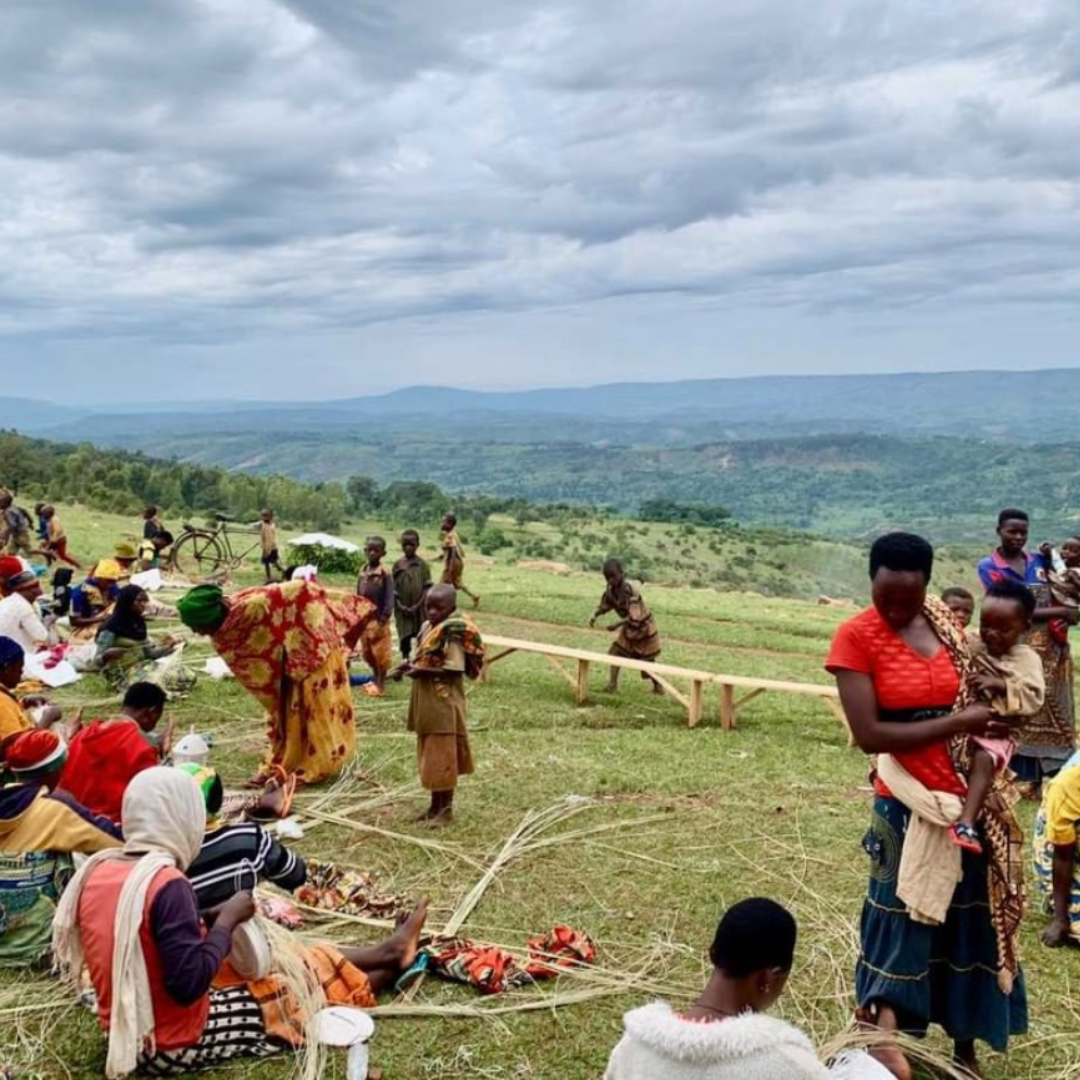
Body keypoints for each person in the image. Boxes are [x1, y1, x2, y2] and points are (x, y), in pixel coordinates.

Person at [53, 766, 430, 1077]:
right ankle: (392, 967)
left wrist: (205, 918)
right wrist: (227, 922)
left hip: (126, 1029)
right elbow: (188, 985)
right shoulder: (165, 882)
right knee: (286, 994)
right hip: (167, 1046)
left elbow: (147, 935)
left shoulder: (102, 869)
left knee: (290, 968)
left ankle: (391, 953)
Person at [827, 532, 1028, 1080]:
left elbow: (981, 689)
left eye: (907, 599)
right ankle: (882, 1036)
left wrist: (992, 712)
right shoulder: (855, 638)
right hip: (905, 800)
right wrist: (961, 723)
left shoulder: (947, 626)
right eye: (884, 596)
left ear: (927, 589)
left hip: (966, 798)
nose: (895, 609)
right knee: (898, 914)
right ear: (870, 581)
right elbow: (870, 734)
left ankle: (963, 1047)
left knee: (969, 921)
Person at [604, 898, 893, 1080]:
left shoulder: (632, 1047)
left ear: (713, 953)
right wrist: (885, 1063)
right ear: (768, 978)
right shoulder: (785, 1064)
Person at [177, 580, 374, 786]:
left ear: (209, 617)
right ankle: (281, 764)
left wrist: (301, 639)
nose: (196, 632)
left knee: (314, 712)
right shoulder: (223, 627)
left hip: (312, 652)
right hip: (284, 666)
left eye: (196, 626)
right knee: (286, 715)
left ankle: (314, 767)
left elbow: (300, 589)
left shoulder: (256, 605)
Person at [0, 729, 122, 966]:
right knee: (80, 858)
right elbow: (117, 844)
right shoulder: (55, 810)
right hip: (33, 949)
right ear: (55, 771)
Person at [978, 509, 1078, 788]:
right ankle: (1020, 774)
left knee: (1057, 706)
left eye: (1023, 532)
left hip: (1053, 647)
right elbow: (1011, 611)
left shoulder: (1037, 560)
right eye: (1012, 531)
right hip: (1017, 644)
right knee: (1022, 702)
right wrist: (1062, 610)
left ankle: (1053, 775)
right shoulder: (990, 566)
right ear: (999, 530)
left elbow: (1062, 581)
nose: (1019, 537)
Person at [951, 580, 1044, 854]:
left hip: (996, 733)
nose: (992, 634)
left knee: (983, 757)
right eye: (986, 625)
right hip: (962, 723)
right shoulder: (972, 642)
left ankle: (966, 822)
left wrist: (1003, 685)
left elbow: (1034, 697)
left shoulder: (1026, 659)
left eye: (1003, 629)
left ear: (1024, 628)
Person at [392, 584, 484, 827]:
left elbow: (453, 670)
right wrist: (407, 666)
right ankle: (434, 807)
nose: (432, 612)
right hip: (427, 702)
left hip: (443, 703)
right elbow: (422, 657)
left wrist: (420, 671)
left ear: (451, 607)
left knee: (444, 758)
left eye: (438, 608)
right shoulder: (426, 627)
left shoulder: (452, 634)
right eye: (428, 607)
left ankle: (446, 811)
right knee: (432, 757)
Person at [179, 764, 307, 911]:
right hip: (240, 926)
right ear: (219, 801)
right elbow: (295, 874)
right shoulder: (248, 839)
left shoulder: (164, 858)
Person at [59, 682, 171, 824]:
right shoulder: (141, 747)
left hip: (67, 815)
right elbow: (150, 794)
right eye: (157, 717)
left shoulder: (84, 734)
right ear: (150, 713)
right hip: (108, 826)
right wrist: (165, 759)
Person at [89, 583, 188, 694]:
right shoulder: (111, 626)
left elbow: (150, 654)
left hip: (142, 667)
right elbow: (96, 663)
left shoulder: (138, 623)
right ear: (127, 601)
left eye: (145, 601)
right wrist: (106, 655)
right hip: (122, 675)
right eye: (139, 601)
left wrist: (170, 647)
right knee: (155, 683)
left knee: (187, 676)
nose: (143, 605)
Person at [590, 558, 663, 694]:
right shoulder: (611, 591)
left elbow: (636, 615)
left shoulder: (631, 590)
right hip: (629, 627)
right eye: (608, 578)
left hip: (643, 628)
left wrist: (617, 624)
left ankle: (658, 686)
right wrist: (595, 614)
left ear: (621, 573)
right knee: (615, 652)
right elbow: (606, 605)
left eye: (614, 576)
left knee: (646, 661)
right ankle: (612, 685)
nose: (611, 580)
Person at [1033, 750, 1080, 948]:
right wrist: (1060, 920)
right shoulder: (1068, 786)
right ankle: (1061, 905)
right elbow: (1062, 855)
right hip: (1065, 850)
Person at [356, 536, 395, 696]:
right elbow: (358, 594)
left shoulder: (385, 573)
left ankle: (381, 681)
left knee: (381, 653)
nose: (372, 553)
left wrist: (384, 618)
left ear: (383, 553)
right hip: (364, 619)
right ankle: (374, 675)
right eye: (369, 550)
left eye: (376, 550)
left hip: (379, 619)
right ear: (365, 551)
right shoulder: (362, 571)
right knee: (368, 652)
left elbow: (389, 597)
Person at [392, 529, 432, 660]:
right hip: (401, 608)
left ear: (417, 544)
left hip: (419, 607)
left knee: (421, 632)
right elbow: (394, 588)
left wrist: (417, 605)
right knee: (404, 634)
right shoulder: (397, 564)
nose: (408, 548)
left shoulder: (422, 565)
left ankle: (421, 658)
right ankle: (405, 658)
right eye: (405, 545)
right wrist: (400, 605)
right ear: (401, 545)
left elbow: (427, 587)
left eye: (411, 545)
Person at [0, 568, 53, 654]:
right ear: (28, 590)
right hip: (15, 658)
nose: (39, 592)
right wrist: (48, 623)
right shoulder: (22, 606)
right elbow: (44, 637)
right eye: (36, 587)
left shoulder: (6, 602)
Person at [70, 559, 125, 632]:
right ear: (99, 577)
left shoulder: (111, 586)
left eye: (114, 581)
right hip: (86, 628)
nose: (111, 584)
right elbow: (74, 621)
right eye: (108, 581)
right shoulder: (79, 593)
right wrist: (102, 618)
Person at [440, 513, 480, 608]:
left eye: (443, 522)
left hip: (453, 562)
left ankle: (445, 603)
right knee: (458, 583)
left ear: (450, 524)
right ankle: (474, 596)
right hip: (458, 562)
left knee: (442, 584)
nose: (441, 524)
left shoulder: (450, 535)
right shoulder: (453, 533)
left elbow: (453, 550)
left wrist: (450, 569)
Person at [1038, 535, 1080, 608]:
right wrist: (1046, 548)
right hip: (1050, 595)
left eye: (1073, 551)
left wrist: (1074, 578)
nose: (1066, 552)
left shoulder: (1076, 571)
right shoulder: (1060, 562)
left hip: (1068, 603)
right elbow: (1052, 557)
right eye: (1064, 548)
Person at [259, 508, 283, 583]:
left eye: (265, 516)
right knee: (270, 562)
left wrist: (267, 551)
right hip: (268, 547)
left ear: (270, 517)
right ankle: (270, 577)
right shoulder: (266, 525)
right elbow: (264, 537)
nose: (263, 517)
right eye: (262, 515)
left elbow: (270, 540)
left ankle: (283, 572)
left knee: (271, 563)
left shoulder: (269, 527)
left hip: (270, 548)